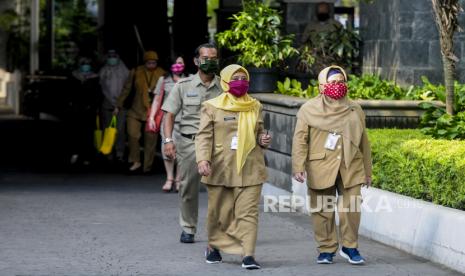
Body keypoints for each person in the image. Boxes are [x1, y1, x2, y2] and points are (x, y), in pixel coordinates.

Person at [292, 65, 372, 265]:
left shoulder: (355, 108)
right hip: (320, 165)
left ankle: (350, 246)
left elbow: (364, 141)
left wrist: (367, 171)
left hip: (350, 165)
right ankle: (326, 248)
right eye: (333, 82)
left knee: (352, 207)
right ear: (322, 86)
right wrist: (298, 166)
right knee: (322, 210)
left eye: (341, 82)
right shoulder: (309, 109)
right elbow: (300, 139)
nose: (338, 86)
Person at [196, 64, 271, 269]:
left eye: (243, 78)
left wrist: (263, 139)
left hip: (250, 166)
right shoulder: (211, 106)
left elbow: (259, 131)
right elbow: (203, 135)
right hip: (221, 167)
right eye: (235, 78)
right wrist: (203, 159)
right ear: (226, 82)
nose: (240, 82)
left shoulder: (255, 105)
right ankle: (214, 246)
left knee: (248, 213)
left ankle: (248, 254)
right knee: (219, 212)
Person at [162, 43, 222, 243]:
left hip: (218, 144)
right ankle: (188, 227)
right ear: (196, 61)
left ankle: (220, 229)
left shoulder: (225, 86)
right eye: (206, 58)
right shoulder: (183, 86)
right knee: (188, 188)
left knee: (221, 188)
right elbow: (169, 115)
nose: (210, 62)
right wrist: (169, 140)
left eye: (214, 58)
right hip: (190, 143)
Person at [114, 51, 166, 172]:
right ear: (145, 62)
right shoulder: (136, 72)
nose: (151, 65)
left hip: (153, 111)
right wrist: (118, 105)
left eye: (154, 63)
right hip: (135, 109)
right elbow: (126, 89)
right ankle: (135, 161)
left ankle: (147, 166)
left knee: (150, 139)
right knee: (132, 135)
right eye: (149, 62)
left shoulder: (162, 74)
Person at [148, 56, 187, 192]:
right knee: (167, 150)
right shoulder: (164, 80)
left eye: (180, 63)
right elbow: (157, 99)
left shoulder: (190, 79)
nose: (178, 65)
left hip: (185, 121)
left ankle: (178, 179)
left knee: (182, 152)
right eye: (175, 62)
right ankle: (169, 178)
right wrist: (152, 117)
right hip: (167, 121)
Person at [68, 57, 101, 166]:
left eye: (88, 64)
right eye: (83, 64)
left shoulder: (95, 77)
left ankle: (87, 156)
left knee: (88, 133)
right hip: (76, 109)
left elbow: (97, 94)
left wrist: (94, 106)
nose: (85, 66)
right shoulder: (74, 76)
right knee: (76, 132)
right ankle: (76, 153)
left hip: (89, 110)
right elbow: (69, 92)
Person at [99, 50, 129, 161]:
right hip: (107, 104)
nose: (112, 58)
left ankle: (119, 153)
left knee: (120, 130)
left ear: (118, 57)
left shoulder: (125, 71)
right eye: (110, 56)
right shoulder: (103, 71)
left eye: (114, 56)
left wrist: (118, 104)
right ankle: (108, 152)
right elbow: (101, 89)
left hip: (121, 105)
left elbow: (127, 89)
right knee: (107, 129)